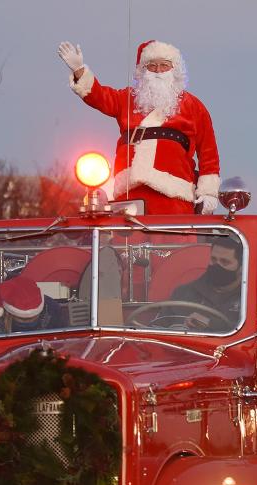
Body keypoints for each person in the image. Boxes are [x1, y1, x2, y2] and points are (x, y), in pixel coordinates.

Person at [57, 39, 220, 215]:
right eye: (152, 66)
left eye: (164, 65)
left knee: (174, 240)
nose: (158, 71)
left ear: (175, 70)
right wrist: (79, 70)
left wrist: (208, 192)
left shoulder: (193, 106)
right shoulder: (127, 99)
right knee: (125, 240)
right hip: (129, 193)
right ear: (142, 71)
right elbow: (99, 96)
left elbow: (208, 153)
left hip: (174, 196)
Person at [168, 237, 243, 331]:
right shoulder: (182, 293)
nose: (217, 265)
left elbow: (249, 333)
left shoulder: (248, 300)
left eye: (225, 262)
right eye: (213, 259)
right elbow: (157, 327)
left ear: (241, 267)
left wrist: (211, 324)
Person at [0, 277, 68, 336]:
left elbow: (64, 342)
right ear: (6, 311)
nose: (28, 322)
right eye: (22, 319)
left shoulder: (53, 312)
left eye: (33, 318)